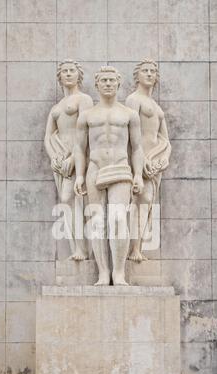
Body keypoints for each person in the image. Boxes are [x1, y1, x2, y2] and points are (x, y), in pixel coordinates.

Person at [74, 66, 144, 285]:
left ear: (118, 83)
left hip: (120, 166)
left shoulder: (129, 114)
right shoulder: (86, 115)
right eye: (103, 80)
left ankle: (119, 272)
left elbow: (138, 147)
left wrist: (139, 174)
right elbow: (78, 147)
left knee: (118, 219)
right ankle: (103, 272)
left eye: (111, 80)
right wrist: (78, 175)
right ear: (97, 84)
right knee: (96, 221)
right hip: (94, 167)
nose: (107, 84)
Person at [44, 60, 93, 260]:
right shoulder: (56, 107)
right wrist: (54, 156)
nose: (68, 74)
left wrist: (74, 157)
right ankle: (78, 248)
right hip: (60, 161)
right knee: (69, 204)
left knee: (74, 201)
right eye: (64, 71)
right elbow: (48, 136)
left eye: (72, 70)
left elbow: (87, 131)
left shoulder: (84, 100)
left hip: (78, 158)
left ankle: (84, 249)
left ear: (78, 74)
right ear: (60, 76)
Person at [126, 59, 171, 262]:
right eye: (145, 70)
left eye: (153, 71)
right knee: (137, 202)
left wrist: (164, 158)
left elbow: (165, 139)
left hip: (155, 163)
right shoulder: (133, 100)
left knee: (147, 204)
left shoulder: (155, 105)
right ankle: (132, 248)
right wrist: (141, 160)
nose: (150, 74)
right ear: (137, 75)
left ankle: (138, 246)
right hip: (139, 162)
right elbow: (130, 136)